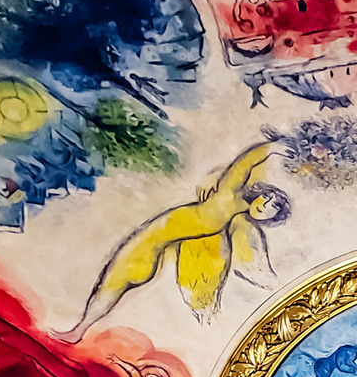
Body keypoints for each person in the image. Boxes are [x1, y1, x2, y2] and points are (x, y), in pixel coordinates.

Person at [65, 142, 291, 338]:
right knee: (113, 281)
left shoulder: (235, 216)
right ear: (265, 194)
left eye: (268, 215)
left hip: (149, 247)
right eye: (268, 205)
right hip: (149, 245)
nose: (263, 210)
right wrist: (273, 148)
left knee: (115, 280)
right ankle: (81, 329)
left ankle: (80, 330)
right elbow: (244, 163)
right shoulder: (228, 193)